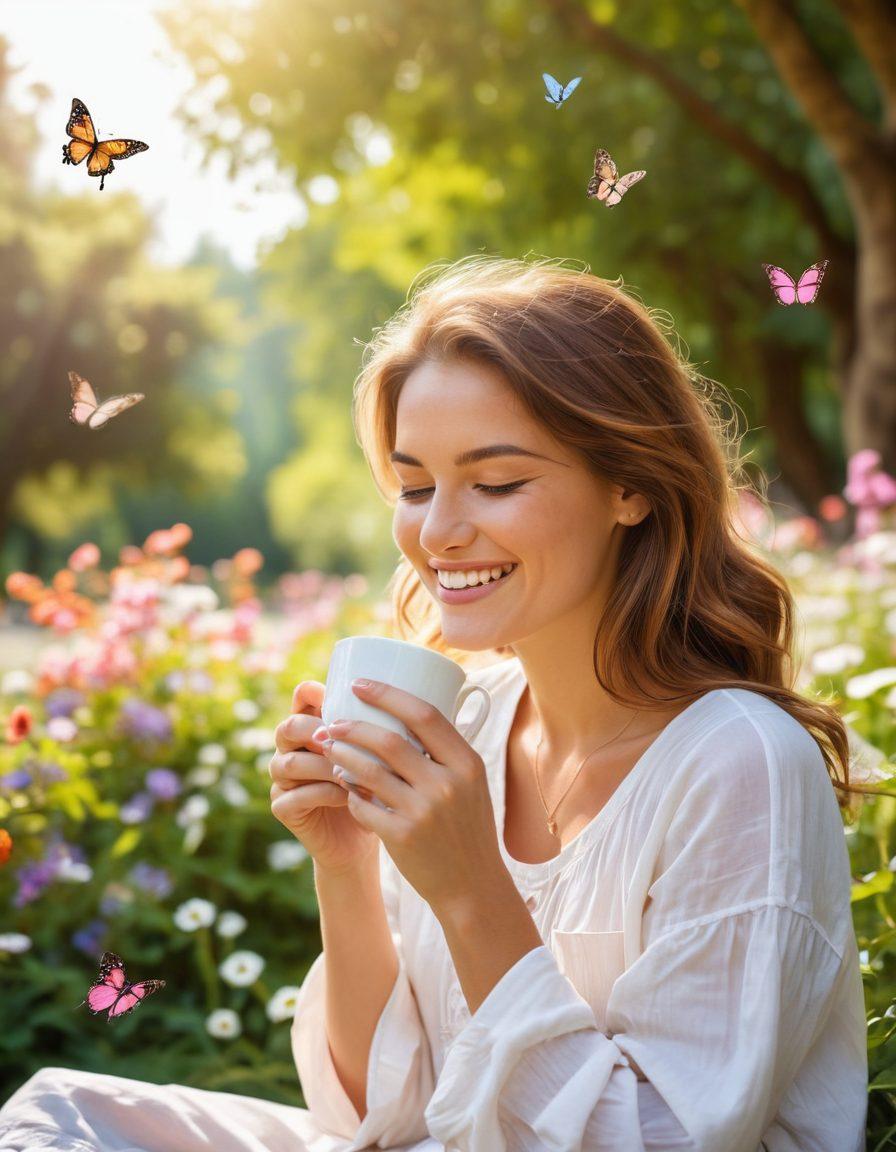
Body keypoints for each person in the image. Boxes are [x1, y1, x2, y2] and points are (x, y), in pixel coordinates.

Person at [0, 255, 869, 1151]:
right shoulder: (474, 724)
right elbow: (381, 1120)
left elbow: (664, 1141)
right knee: (55, 1118)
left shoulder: (739, 763)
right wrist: (345, 866)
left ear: (631, 485)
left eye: (495, 483)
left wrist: (471, 892)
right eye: (415, 487)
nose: (439, 531)